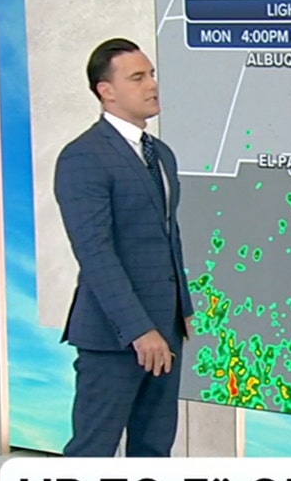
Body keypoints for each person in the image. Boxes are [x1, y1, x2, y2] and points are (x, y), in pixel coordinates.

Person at [54, 38, 193, 457]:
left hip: (165, 329)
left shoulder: (161, 155)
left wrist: (180, 309)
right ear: (106, 90)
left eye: (151, 74)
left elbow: (169, 236)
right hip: (114, 336)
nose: (152, 85)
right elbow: (95, 254)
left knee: (153, 447)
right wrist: (139, 329)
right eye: (138, 77)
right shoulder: (83, 157)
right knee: (94, 450)